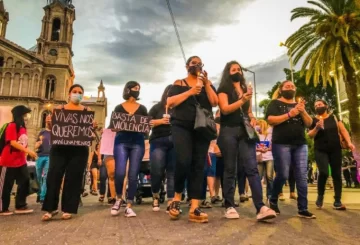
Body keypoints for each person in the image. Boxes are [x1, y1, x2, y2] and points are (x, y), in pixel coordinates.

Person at [217, 60, 276, 221]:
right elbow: (225, 109)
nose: (237, 71)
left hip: (245, 132)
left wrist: (252, 118)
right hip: (229, 130)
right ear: (228, 73)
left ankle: (261, 206)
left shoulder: (245, 89)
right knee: (230, 168)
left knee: (252, 168)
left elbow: (248, 111)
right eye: (233, 69)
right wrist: (242, 100)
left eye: (239, 69)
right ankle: (229, 205)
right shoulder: (224, 88)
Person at [166, 55, 218, 223]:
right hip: (181, 126)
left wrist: (207, 84)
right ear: (187, 66)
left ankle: (195, 207)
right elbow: (170, 102)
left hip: (201, 128)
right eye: (193, 62)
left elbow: (215, 102)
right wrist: (191, 91)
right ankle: (176, 198)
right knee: (183, 160)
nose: (196, 65)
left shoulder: (207, 84)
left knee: (198, 165)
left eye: (199, 62)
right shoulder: (179, 83)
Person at [42, 84, 98, 221]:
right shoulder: (59, 109)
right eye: (74, 91)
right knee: (54, 175)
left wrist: (93, 127)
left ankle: (68, 208)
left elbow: (88, 132)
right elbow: (53, 128)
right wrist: (49, 123)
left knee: (73, 178)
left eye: (80, 92)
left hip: (79, 149)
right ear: (69, 94)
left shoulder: (87, 110)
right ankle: (50, 208)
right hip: (59, 148)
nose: (77, 94)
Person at [266, 80, 315, 219]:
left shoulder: (299, 105)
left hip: (300, 144)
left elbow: (310, 123)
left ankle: (303, 208)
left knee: (302, 176)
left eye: (293, 86)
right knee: (282, 174)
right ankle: (273, 199)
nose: (290, 87)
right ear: (281, 90)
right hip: (281, 144)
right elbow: (271, 120)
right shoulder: (275, 104)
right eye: (287, 86)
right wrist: (289, 114)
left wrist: (302, 111)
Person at [308, 99, 355, 210]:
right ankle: (320, 196)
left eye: (320, 104)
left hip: (335, 149)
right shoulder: (314, 120)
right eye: (315, 105)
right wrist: (317, 127)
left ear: (325, 105)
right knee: (323, 172)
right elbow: (310, 135)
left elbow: (343, 130)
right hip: (320, 150)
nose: (318, 106)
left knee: (336, 174)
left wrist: (349, 143)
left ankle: (337, 201)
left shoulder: (334, 118)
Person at [111, 81, 148, 217]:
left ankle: (130, 204)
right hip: (121, 141)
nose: (137, 90)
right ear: (128, 89)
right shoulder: (119, 107)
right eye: (134, 88)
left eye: (138, 88)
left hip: (137, 142)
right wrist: (125, 123)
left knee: (133, 174)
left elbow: (146, 127)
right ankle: (118, 198)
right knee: (120, 172)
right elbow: (113, 127)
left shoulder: (143, 108)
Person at [0, 105, 37, 215]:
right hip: (9, 160)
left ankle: (20, 205)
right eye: (25, 114)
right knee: (6, 185)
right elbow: (12, 142)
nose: (27, 117)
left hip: (20, 160)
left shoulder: (23, 128)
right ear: (20, 115)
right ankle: (3, 208)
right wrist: (28, 151)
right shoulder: (12, 126)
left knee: (25, 180)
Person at [149, 85, 176, 212]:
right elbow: (147, 122)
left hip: (175, 142)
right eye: (169, 93)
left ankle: (171, 200)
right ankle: (155, 195)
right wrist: (161, 121)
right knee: (157, 170)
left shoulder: (178, 108)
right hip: (158, 141)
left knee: (172, 172)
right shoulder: (157, 107)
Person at [35, 114, 52, 204]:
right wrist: (38, 144)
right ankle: (39, 193)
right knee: (38, 176)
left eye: (50, 119)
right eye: (47, 119)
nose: (49, 120)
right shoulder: (42, 133)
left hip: (49, 156)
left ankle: (42, 196)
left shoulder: (55, 132)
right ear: (45, 121)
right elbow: (36, 145)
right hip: (40, 156)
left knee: (45, 176)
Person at [256, 119, 274, 202]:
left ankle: (270, 194)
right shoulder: (256, 135)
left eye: (259, 125)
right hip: (259, 157)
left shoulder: (270, 134)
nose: (258, 127)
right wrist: (258, 148)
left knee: (269, 176)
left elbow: (273, 145)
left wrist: (267, 148)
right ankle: (258, 195)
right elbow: (253, 146)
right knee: (258, 177)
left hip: (269, 157)